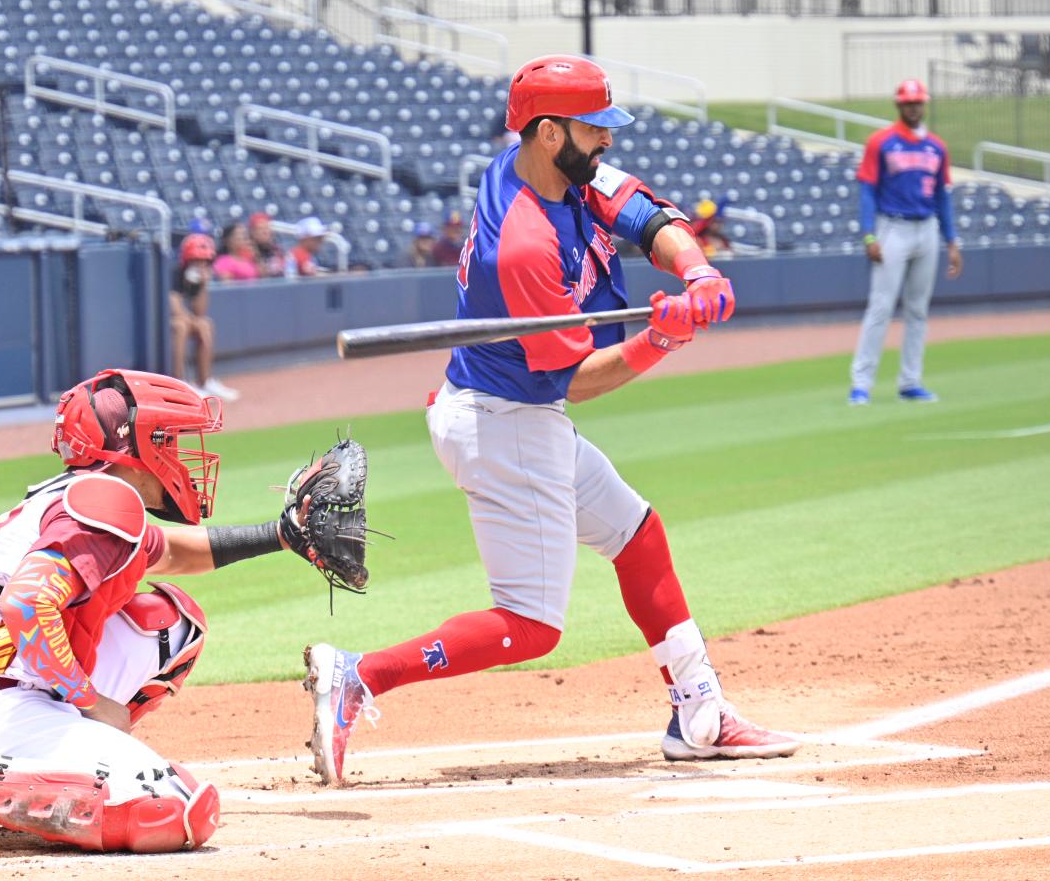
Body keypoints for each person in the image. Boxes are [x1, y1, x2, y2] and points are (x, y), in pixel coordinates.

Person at [303, 55, 797, 786]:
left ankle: (698, 714)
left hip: (508, 411)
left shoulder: (552, 170)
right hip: (508, 422)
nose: (605, 143)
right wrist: (663, 338)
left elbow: (648, 215)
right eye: (593, 129)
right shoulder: (524, 245)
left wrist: (696, 272)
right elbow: (577, 380)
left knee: (637, 536)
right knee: (531, 625)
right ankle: (358, 675)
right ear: (545, 132)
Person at [0, 371, 363, 857]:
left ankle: (57, 767)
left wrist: (281, 534)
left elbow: (171, 554)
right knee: (174, 808)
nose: (185, 454)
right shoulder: (105, 503)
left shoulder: (86, 496)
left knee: (172, 628)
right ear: (139, 446)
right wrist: (89, 700)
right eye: (173, 439)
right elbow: (26, 603)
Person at [848, 79, 963, 405]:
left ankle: (910, 381)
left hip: (926, 228)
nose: (914, 107)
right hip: (892, 227)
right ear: (899, 106)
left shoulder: (936, 147)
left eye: (918, 102)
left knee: (918, 309)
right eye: (909, 103)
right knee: (881, 307)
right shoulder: (882, 142)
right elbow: (868, 190)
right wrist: (869, 234)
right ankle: (861, 384)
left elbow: (943, 196)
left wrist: (951, 241)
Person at [169, 233, 239, 402]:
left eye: (204, 262)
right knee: (181, 325)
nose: (200, 265)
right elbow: (175, 308)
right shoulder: (175, 273)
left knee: (205, 324)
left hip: (183, 318)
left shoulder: (196, 279)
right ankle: (180, 384)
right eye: (196, 261)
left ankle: (204, 381)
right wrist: (193, 321)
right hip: (159, 320)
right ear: (187, 260)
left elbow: (200, 311)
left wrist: (203, 284)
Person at [248, 211, 287, 277]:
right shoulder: (247, 252)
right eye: (261, 229)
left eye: (267, 228)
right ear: (252, 232)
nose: (265, 232)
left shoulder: (277, 250)